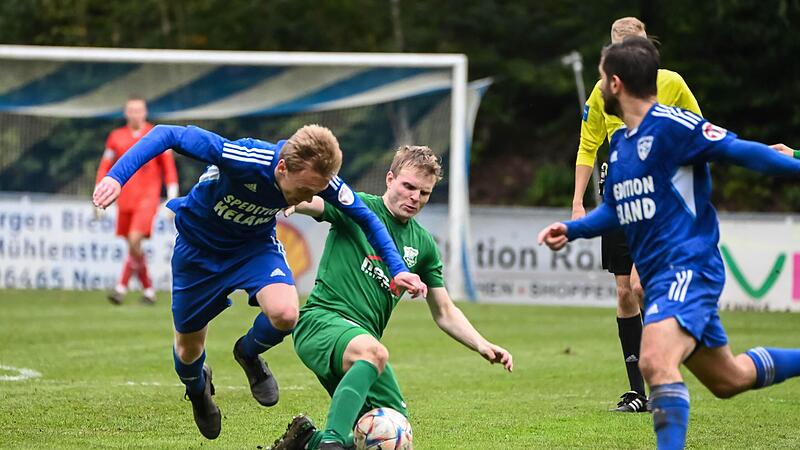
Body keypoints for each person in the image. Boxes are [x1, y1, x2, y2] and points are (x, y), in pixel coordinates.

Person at [539, 36, 800, 450]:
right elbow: (615, 210)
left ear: (616, 84)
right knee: (729, 379)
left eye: (602, 79)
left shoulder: (675, 126)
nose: (598, 88)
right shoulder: (621, 145)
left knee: (656, 360)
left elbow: (743, 152)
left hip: (688, 267)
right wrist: (574, 230)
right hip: (661, 278)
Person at [92, 124, 428, 440]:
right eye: (303, 190)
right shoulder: (243, 157)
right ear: (282, 168)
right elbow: (168, 134)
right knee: (188, 349)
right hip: (198, 252)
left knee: (286, 313)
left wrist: (397, 268)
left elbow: (367, 218)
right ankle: (198, 390)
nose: (306, 199)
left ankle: (248, 353)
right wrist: (116, 178)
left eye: (315, 191)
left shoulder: (322, 180)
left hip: (254, 247)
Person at [266, 146, 513, 450]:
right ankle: (331, 442)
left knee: (392, 434)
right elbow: (314, 201)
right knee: (374, 353)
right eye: (408, 186)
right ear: (390, 179)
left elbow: (445, 311)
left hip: (362, 345)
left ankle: (307, 441)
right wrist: (292, 198)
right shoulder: (357, 207)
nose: (415, 197)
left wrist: (482, 344)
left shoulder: (423, 245)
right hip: (321, 323)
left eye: (424, 193)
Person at [571, 17, 702, 412]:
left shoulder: (671, 83)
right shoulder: (603, 90)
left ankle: (665, 376)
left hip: (657, 199)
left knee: (642, 286)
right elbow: (588, 146)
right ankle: (638, 393)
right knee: (624, 291)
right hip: (619, 198)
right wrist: (578, 202)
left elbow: (697, 131)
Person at [96, 96, 179, 305]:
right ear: (126, 113)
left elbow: (169, 168)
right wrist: (98, 191)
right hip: (124, 199)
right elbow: (105, 165)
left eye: (139, 110)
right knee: (134, 247)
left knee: (135, 239)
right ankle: (149, 290)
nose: (135, 114)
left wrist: (172, 196)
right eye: (131, 110)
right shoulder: (115, 137)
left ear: (145, 112)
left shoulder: (157, 135)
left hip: (147, 198)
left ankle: (120, 287)